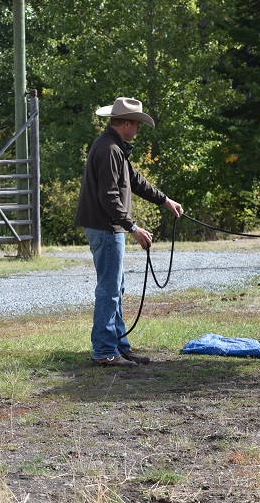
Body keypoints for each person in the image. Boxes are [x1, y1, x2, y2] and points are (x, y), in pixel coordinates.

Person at [75, 97, 183, 367]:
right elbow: (109, 197)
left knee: (115, 287)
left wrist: (165, 200)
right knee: (110, 290)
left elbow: (134, 180)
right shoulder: (109, 149)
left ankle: (118, 345)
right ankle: (104, 351)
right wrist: (133, 228)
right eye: (136, 125)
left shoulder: (115, 148)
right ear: (126, 123)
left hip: (107, 227)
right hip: (106, 228)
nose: (138, 130)